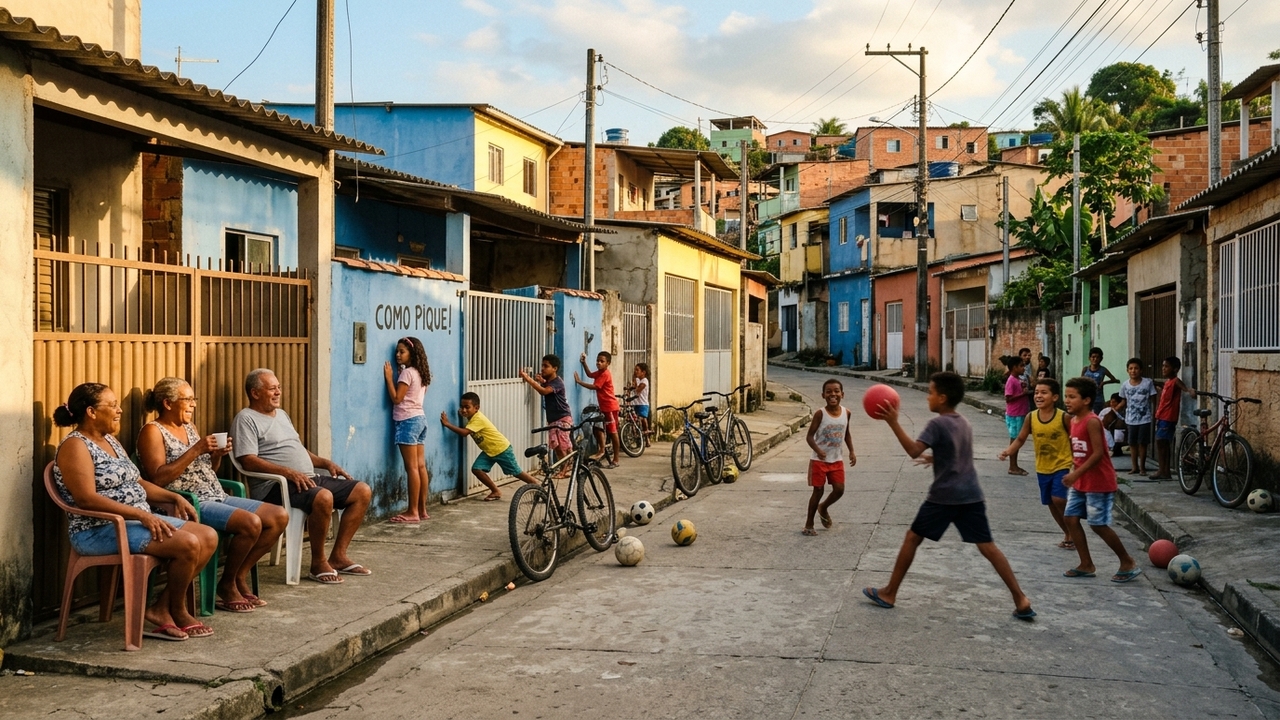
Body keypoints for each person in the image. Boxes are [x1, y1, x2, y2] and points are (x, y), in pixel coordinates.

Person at [862, 372, 1035, 620]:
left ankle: (889, 593)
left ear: (942, 398)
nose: (927, 397)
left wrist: (893, 422)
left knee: (912, 538)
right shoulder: (963, 421)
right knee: (988, 546)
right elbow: (958, 452)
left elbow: (913, 451)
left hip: (944, 496)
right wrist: (937, 457)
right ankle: (1021, 599)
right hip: (971, 494)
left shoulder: (937, 424)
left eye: (931, 392)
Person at [53, 383, 217, 640]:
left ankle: (161, 608)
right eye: (113, 405)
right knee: (188, 544)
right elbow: (85, 499)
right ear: (91, 412)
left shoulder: (110, 441)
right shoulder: (75, 446)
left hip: (132, 522)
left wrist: (173, 496)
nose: (119, 410)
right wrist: (141, 514)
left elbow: (138, 482)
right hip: (98, 530)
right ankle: (176, 609)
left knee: (208, 536)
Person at [137, 377, 288, 613]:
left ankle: (238, 576)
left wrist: (216, 455)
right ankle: (227, 585)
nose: (193, 404)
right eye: (187, 399)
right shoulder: (152, 431)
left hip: (215, 493)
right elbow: (157, 479)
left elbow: (207, 470)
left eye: (192, 399)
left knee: (278, 516)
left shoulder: (189, 428)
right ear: (168, 403)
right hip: (188, 502)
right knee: (251, 524)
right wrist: (197, 449)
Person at [232, 369, 372, 585]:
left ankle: (339, 556)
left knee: (362, 491)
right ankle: (318, 563)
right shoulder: (246, 418)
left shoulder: (282, 415)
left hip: (307, 478)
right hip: (275, 487)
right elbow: (247, 460)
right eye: (272, 388)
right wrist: (286, 472)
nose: (278, 392)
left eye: (278, 387)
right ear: (255, 393)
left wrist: (325, 463)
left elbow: (297, 449)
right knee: (323, 497)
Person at [1060, 377, 1141, 583]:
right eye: (1066, 396)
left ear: (1086, 400)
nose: (1067, 401)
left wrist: (1076, 473)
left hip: (1098, 483)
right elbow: (1077, 450)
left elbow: (1097, 454)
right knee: (1070, 519)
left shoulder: (1092, 421)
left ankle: (1127, 561)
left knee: (1098, 524)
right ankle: (1086, 564)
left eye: (1072, 397)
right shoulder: (1073, 421)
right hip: (1080, 482)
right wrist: (1072, 469)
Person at [999, 378, 1074, 550]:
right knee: (1050, 502)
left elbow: (1074, 439)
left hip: (1062, 465)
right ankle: (1068, 532)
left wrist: (1077, 463)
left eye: (1044, 392)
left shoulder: (1064, 417)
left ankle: (1073, 529)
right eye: (1037, 392)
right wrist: (1008, 451)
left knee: (1058, 499)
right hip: (1042, 467)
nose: (1039, 396)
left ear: (1055, 397)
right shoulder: (1031, 417)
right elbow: (1020, 438)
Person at [440, 392, 539, 500]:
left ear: (476, 408)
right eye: (462, 407)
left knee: (516, 472)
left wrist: (447, 424)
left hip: (501, 449)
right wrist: (462, 412)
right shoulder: (471, 416)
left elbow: (464, 433)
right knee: (477, 469)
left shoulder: (478, 419)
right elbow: (465, 415)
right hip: (489, 451)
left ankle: (538, 487)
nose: (464, 410)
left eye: (467, 407)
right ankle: (495, 491)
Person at [384, 336, 432, 523]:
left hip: (407, 421)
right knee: (420, 466)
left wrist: (389, 379)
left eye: (402, 351)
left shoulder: (407, 374)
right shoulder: (422, 373)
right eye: (397, 351)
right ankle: (422, 509)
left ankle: (412, 512)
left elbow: (397, 398)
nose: (397, 354)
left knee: (411, 467)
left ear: (412, 353)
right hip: (420, 419)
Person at [803, 379, 856, 536]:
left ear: (842, 394)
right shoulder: (820, 414)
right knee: (818, 490)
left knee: (839, 489)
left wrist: (852, 451)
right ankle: (809, 524)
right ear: (823, 395)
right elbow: (809, 437)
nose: (833, 394)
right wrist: (818, 450)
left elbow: (846, 433)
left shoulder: (847, 413)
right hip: (819, 460)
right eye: (829, 392)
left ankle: (823, 507)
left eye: (836, 391)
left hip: (836, 459)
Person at [519, 355, 572, 471]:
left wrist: (528, 379)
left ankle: (566, 470)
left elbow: (544, 391)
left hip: (562, 418)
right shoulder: (550, 382)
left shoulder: (557, 382)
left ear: (555, 368)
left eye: (546, 366)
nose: (542, 368)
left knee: (562, 446)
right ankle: (565, 468)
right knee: (557, 446)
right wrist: (542, 381)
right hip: (553, 419)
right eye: (542, 365)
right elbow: (546, 386)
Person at [574, 351, 621, 468]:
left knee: (613, 432)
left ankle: (616, 459)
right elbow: (590, 374)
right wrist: (584, 363)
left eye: (602, 361)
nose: (598, 363)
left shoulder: (605, 374)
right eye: (597, 361)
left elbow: (596, 386)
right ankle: (602, 450)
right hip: (604, 407)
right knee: (598, 429)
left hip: (610, 407)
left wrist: (580, 382)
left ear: (608, 363)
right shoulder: (600, 373)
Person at [1153, 356, 1195, 480]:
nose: (1163, 369)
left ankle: (1163, 470)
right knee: (1162, 443)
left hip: (1168, 417)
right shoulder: (1167, 382)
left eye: (1166, 366)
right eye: (1163, 366)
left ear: (1175, 369)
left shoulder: (1175, 381)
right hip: (1162, 416)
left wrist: (1190, 390)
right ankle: (1164, 470)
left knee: (1162, 442)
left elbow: (1185, 388)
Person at [1117, 358, 1157, 476]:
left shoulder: (1147, 383)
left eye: (1136, 368)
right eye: (1131, 368)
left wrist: (1156, 413)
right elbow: (1124, 401)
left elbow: (1153, 399)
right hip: (1130, 419)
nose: (1133, 371)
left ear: (1141, 370)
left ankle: (1143, 468)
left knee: (1142, 444)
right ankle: (1134, 467)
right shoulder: (1125, 385)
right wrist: (1114, 409)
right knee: (1132, 444)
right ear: (1127, 370)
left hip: (1145, 419)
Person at [1002, 355, 1031, 476]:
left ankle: (1014, 465)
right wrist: (1023, 394)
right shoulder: (1011, 380)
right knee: (1015, 440)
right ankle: (1012, 466)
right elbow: (1008, 398)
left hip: (1020, 412)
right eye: (1021, 366)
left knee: (1018, 439)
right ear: (1014, 367)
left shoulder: (1018, 379)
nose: (1024, 368)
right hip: (1015, 414)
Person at [1081, 348, 1120, 415]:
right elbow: (1081, 382)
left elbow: (1116, 380)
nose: (1095, 359)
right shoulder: (1085, 369)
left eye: (1097, 357)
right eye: (1093, 357)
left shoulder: (1103, 370)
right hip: (1086, 398)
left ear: (1101, 359)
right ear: (1089, 358)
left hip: (1098, 399)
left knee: (1098, 417)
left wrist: (1104, 383)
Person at [627, 363, 652, 447]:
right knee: (633, 420)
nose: (635, 371)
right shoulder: (636, 379)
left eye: (637, 370)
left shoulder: (645, 381)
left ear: (643, 372)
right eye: (635, 370)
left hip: (643, 404)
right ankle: (637, 439)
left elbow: (637, 390)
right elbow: (632, 387)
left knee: (642, 419)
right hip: (635, 403)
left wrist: (634, 383)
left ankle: (647, 437)